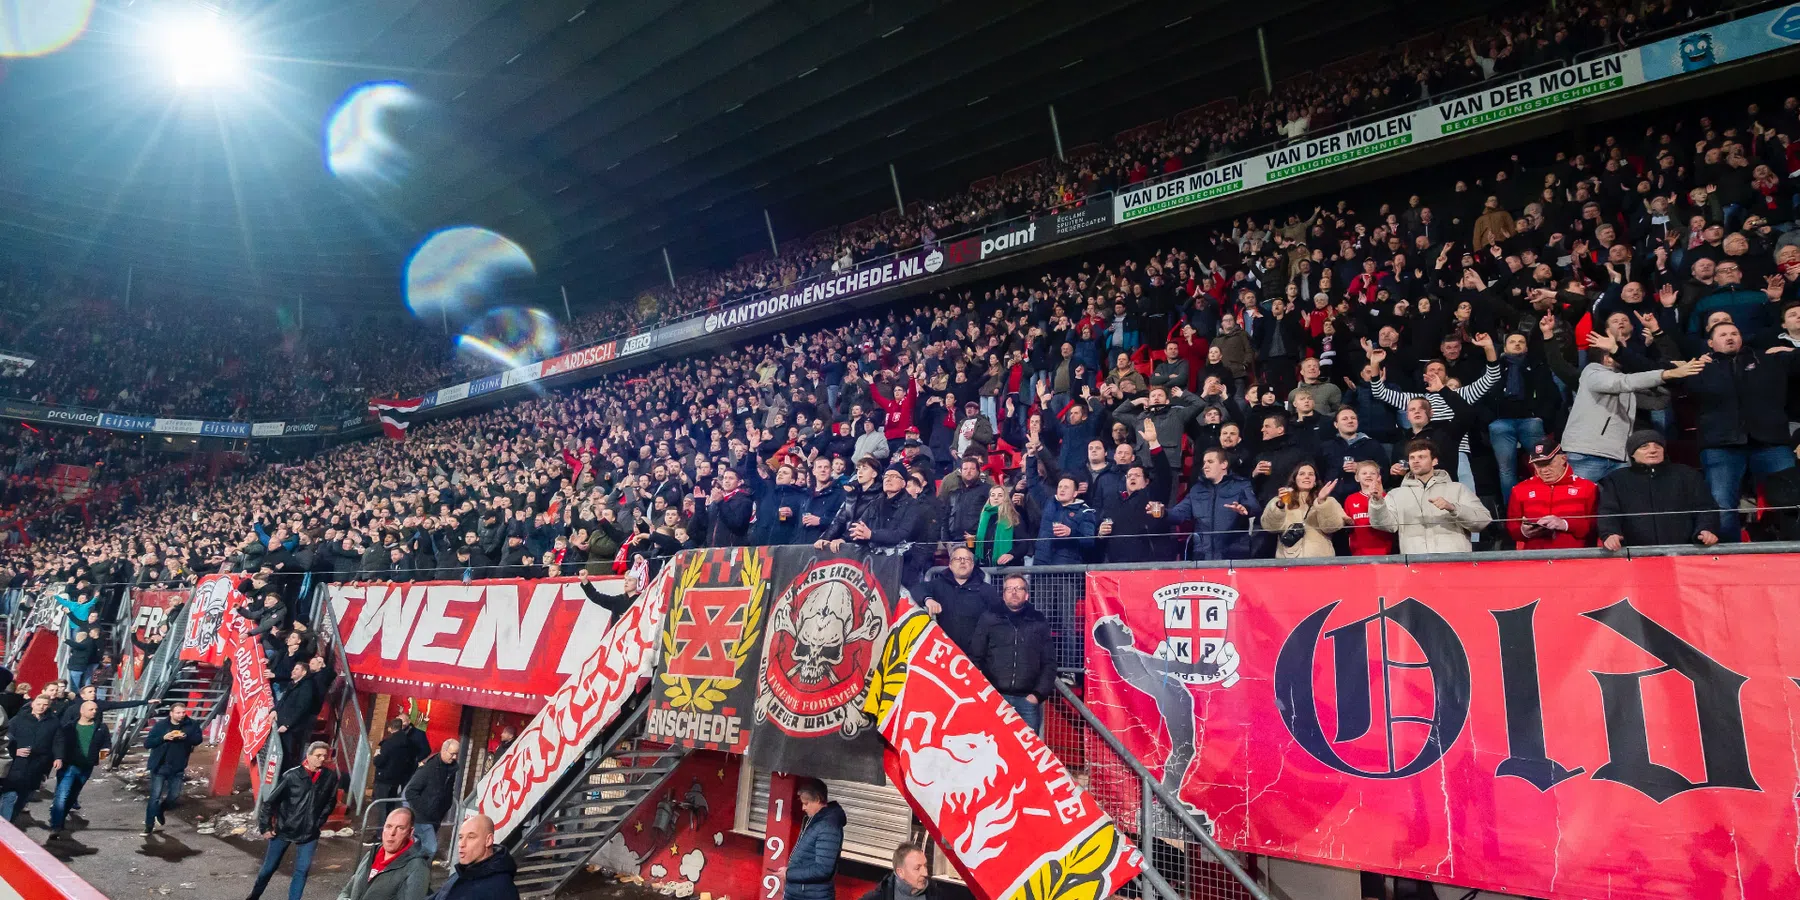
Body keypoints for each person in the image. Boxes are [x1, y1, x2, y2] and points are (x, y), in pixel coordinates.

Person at [1596, 430, 1721, 550]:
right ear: (1632, 453)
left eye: (1658, 446)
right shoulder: (1616, 479)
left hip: (1684, 554)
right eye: (1644, 447)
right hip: (1635, 557)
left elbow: (1705, 507)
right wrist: (1610, 533)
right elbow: (1609, 511)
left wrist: (1706, 529)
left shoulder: (1687, 474)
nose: (1653, 450)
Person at [249, 741, 341, 900]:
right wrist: (265, 827)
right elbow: (270, 802)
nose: (321, 759)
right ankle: (254, 896)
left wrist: (317, 822)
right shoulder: (292, 775)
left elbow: (330, 802)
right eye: (318, 755)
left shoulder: (329, 776)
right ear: (309, 755)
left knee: (302, 871)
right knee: (268, 868)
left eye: (324, 756)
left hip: (309, 833)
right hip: (284, 830)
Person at [1369, 439, 1493, 554]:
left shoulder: (1457, 488)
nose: (1415, 461)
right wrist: (1377, 502)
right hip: (1417, 565)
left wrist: (1453, 508)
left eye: (1421, 457)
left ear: (1434, 461)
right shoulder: (1395, 494)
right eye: (1412, 458)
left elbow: (1483, 521)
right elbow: (1385, 525)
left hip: (1455, 564)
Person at [969, 575, 1055, 734]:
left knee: (1027, 755)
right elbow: (975, 657)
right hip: (995, 699)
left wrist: (1037, 695)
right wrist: (986, 692)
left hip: (1027, 702)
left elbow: (1049, 662)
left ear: (1027, 595)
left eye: (1019, 588)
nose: (1014, 592)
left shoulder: (1038, 620)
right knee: (993, 749)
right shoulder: (989, 618)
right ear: (1003, 594)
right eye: (1009, 588)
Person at [1168, 448, 1259, 560]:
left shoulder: (1241, 485)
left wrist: (1245, 508)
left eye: (1210, 462)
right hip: (1202, 557)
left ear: (1224, 464)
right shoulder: (1197, 489)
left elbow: (1256, 507)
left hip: (1234, 556)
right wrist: (1163, 513)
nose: (1205, 466)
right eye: (1204, 462)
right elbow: (1179, 514)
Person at [1505, 443, 1598, 550]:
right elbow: (1512, 527)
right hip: (1534, 559)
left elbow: (1596, 526)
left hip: (1575, 558)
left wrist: (1565, 524)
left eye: (1549, 463)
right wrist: (1523, 532)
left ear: (1563, 459)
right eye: (1538, 465)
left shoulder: (1588, 488)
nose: (1544, 470)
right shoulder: (1519, 490)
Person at [46, 698, 109, 837]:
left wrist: (105, 751)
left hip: (86, 767)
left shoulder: (101, 728)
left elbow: (106, 743)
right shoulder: (69, 727)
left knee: (72, 796)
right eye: (91, 709)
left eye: (95, 710)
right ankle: (55, 826)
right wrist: (59, 758)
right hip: (69, 766)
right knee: (61, 795)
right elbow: (59, 743)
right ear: (82, 711)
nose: (94, 712)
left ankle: (60, 821)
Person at [916, 546, 997, 652]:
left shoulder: (987, 590)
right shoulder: (937, 585)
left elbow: (997, 624)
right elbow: (916, 590)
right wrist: (928, 599)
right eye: (958, 559)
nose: (962, 562)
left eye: (967, 559)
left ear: (972, 565)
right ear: (950, 564)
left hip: (976, 658)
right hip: (944, 654)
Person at [340, 806, 431, 900]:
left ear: (410, 832)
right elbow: (347, 891)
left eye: (400, 828)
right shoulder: (371, 855)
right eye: (389, 826)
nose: (392, 833)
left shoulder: (417, 866)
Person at [1259, 463, 1345, 559]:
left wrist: (1322, 502)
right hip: (1288, 562)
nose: (1307, 477)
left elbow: (1332, 527)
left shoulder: (1329, 501)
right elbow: (1270, 527)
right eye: (1302, 474)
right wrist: (1280, 505)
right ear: (1295, 479)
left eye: (1311, 474)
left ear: (1315, 481)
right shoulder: (1280, 501)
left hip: (1320, 560)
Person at [144, 703, 204, 835]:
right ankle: (149, 825)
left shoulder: (191, 724)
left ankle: (160, 810)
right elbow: (148, 743)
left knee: (174, 795)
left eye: (183, 712)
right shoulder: (161, 726)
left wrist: (186, 737)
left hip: (177, 766)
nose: (181, 715)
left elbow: (198, 740)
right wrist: (163, 738)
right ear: (171, 713)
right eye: (178, 713)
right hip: (160, 765)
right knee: (155, 796)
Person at [428, 813, 519, 900]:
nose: (462, 844)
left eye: (471, 837)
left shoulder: (501, 888)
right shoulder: (458, 875)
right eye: (460, 837)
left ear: (488, 840)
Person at [780, 781, 845, 900]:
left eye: (806, 803)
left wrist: (789, 874)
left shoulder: (828, 827)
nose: (803, 807)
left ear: (818, 799)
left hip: (811, 896)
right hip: (801, 893)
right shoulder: (814, 820)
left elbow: (823, 869)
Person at [0, 694, 56, 821]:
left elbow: (54, 745)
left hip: (35, 767)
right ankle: (5, 827)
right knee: (10, 796)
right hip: (15, 766)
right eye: (38, 703)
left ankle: (10, 822)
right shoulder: (18, 719)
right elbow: (5, 739)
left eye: (45, 705)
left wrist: (46, 771)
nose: (41, 707)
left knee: (24, 798)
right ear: (32, 704)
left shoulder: (53, 723)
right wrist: (15, 751)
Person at [404, 739, 460, 859]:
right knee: (430, 848)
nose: (455, 757)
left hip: (436, 816)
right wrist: (425, 809)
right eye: (452, 753)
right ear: (443, 751)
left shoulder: (451, 769)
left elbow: (447, 791)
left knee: (419, 847)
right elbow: (410, 792)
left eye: (457, 754)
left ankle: (409, 868)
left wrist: (445, 806)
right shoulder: (428, 768)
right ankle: (417, 870)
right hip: (423, 817)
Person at [855, 843, 939, 900]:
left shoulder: (937, 895)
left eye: (925, 866)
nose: (925, 873)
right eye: (917, 868)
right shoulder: (880, 896)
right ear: (900, 872)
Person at [373, 717, 427, 803]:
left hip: (386, 777)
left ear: (390, 728)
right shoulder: (408, 741)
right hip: (398, 776)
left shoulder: (389, 743)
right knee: (391, 802)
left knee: (382, 805)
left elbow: (380, 761)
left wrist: (376, 757)